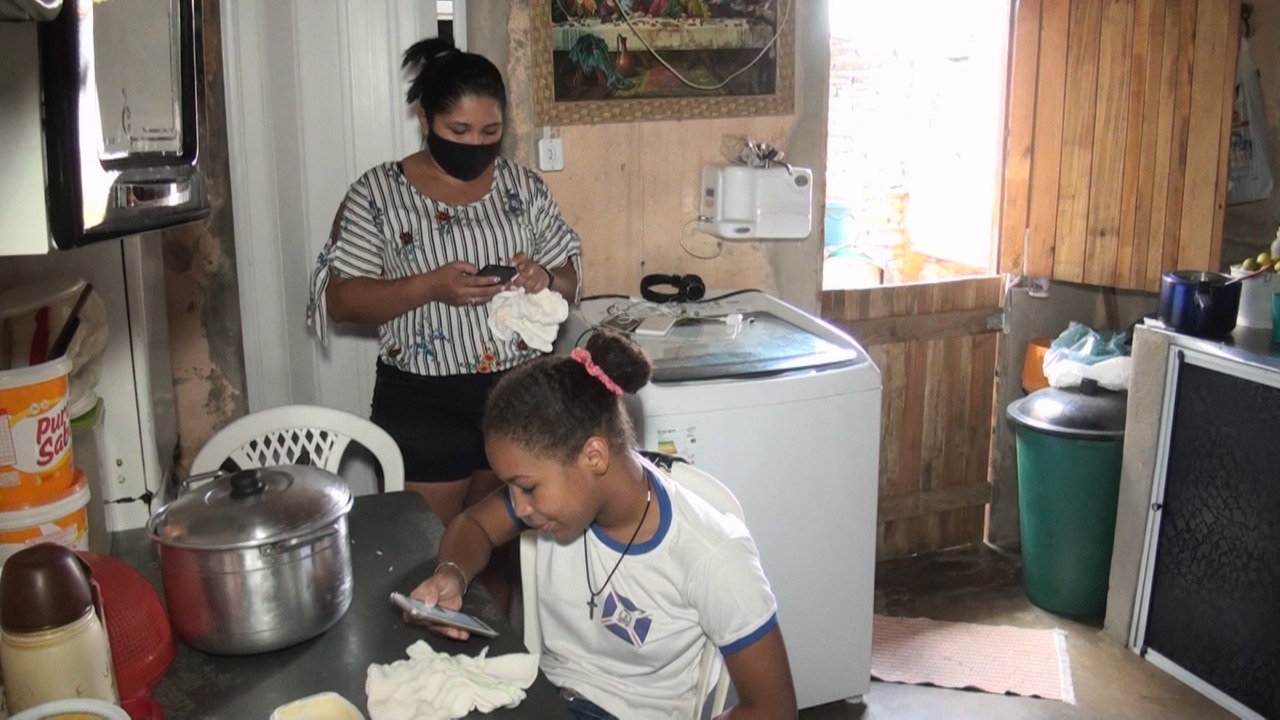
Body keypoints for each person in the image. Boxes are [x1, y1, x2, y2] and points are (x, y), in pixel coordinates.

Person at [308, 37, 582, 608]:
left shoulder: (522, 188)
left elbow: (570, 277)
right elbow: (342, 300)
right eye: (459, 132)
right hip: (423, 404)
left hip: (514, 402)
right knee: (425, 557)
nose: (476, 146)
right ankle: (426, 682)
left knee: (498, 555)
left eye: (490, 133)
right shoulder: (378, 194)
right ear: (425, 118)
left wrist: (544, 278)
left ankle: (491, 675)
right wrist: (429, 286)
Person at [409, 330, 798, 720]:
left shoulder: (713, 554)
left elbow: (774, 709)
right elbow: (474, 525)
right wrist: (452, 574)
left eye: (525, 487)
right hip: (546, 697)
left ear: (593, 456)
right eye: (509, 487)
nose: (518, 507)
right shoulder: (554, 505)